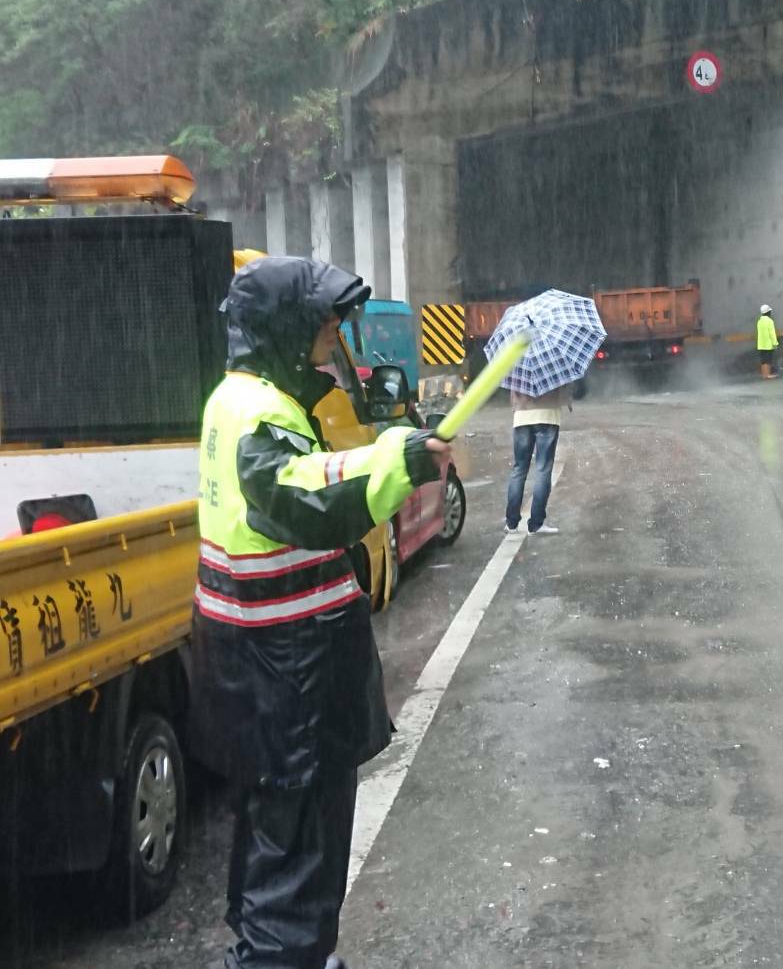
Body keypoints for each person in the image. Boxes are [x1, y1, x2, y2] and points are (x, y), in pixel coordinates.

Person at [190, 256, 448, 969]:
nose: (334, 332)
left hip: (256, 666)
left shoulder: (232, 397)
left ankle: (270, 949)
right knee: (302, 847)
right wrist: (398, 457)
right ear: (284, 326)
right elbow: (300, 495)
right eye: (323, 320)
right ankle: (283, 957)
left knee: (274, 831)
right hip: (288, 671)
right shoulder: (260, 414)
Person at [505, 382, 574, 535]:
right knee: (543, 469)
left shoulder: (517, 360)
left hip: (522, 416)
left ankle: (511, 523)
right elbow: (564, 383)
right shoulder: (552, 358)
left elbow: (512, 385)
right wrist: (567, 399)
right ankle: (535, 524)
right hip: (548, 416)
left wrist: (516, 406)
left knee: (519, 469)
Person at [756, 304, 779, 379]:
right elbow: (772, 333)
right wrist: (775, 343)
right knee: (768, 360)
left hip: (761, 344)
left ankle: (764, 374)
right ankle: (768, 374)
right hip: (768, 344)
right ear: (768, 312)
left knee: (763, 360)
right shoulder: (769, 321)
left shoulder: (759, 321)